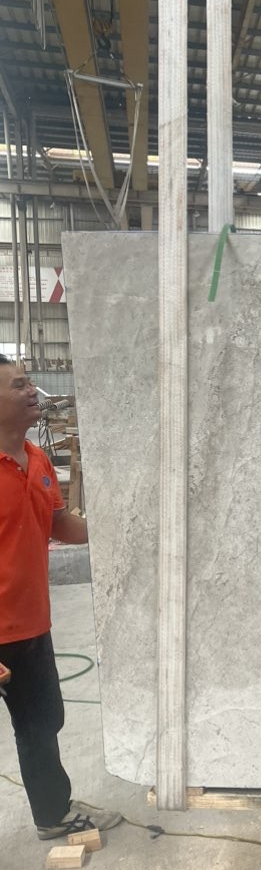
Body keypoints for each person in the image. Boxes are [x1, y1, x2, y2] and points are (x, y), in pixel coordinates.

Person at [0, 355, 121, 840]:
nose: (32, 390)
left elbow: (58, 524)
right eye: (18, 385)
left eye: (29, 382)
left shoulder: (37, 459)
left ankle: (52, 814)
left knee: (42, 723)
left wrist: (114, 528)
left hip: (32, 625)